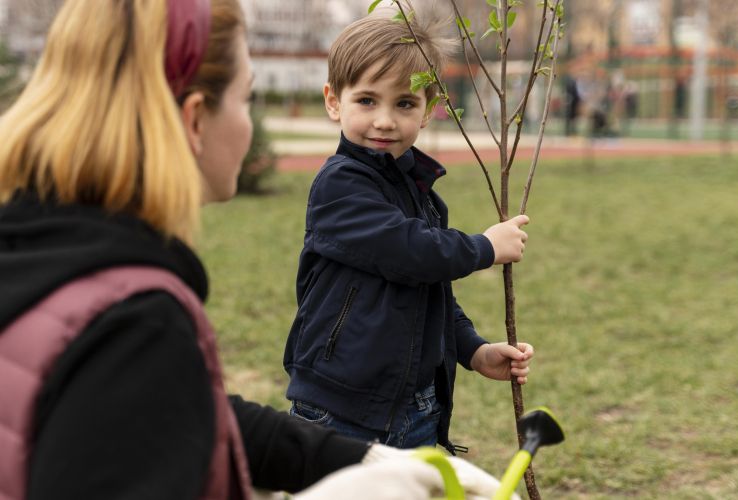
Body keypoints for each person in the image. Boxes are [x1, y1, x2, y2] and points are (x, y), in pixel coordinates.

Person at [0, 0, 511, 498]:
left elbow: (190, 411)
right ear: (197, 119)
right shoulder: (135, 322)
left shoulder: (46, 258)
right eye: (248, 99)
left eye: (403, 103)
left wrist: (367, 464)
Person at [283, 6, 534, 453]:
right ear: (333, 100)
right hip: (343, 405)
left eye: (404, 103)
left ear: (429, 109)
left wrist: (473, 350)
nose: (384, 120)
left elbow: (430, 288)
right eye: (366, 100)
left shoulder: (419, 191)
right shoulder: (340, 184)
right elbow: (409, 251)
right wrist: (482, 248)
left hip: (416, 406)